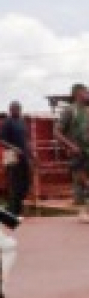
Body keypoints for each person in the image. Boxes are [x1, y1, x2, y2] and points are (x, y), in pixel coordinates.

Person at [54, 83, 89, 222]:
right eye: (85, 92)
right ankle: (82, 212)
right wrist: (70, 146)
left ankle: (85, 211)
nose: (87, 94)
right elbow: (56, 132)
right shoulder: (69, 111)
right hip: (77, 152)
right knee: (81, 182)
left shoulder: (87, 110)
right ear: (77, 94)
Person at [0, 100, 32, 216]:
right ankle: (13, 211)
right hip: (11, 156)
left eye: (19, 109)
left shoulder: (22, 122)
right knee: (13, 183)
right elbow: (0, 140)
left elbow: (26, 140)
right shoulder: (6, 122)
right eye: (15, 109)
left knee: (25, 182)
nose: (17, 111)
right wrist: (14, 148)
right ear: (10, 109)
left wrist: (32, 154)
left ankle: (17, 207)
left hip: (24, 156)